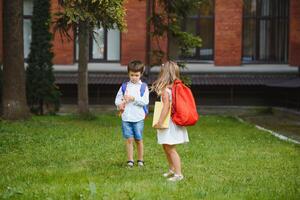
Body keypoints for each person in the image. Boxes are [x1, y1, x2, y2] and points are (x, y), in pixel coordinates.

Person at [152, 61, 189, 181]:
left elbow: (166, 107)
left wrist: (159, 122)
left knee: (171, 149)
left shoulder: (165, 90)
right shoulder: (173, 88)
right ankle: (172, 169)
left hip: (169, 123)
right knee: (166, 147)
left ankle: (178, 174)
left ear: (164, 74)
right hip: (172, 122)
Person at [115, 60, 149, 167]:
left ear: (141, 74)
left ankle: (140, 160)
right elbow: (118, 99)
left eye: (136, 75)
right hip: (126, 117)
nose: (134, 77)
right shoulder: (124, 86)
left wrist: (133, 98)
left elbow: (145, 101)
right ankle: (130, 160)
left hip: (138, 118)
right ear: (128, 74)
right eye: (132, 75)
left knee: (138, 139)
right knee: (129, 139)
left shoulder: (143, 87)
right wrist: (119, 104)